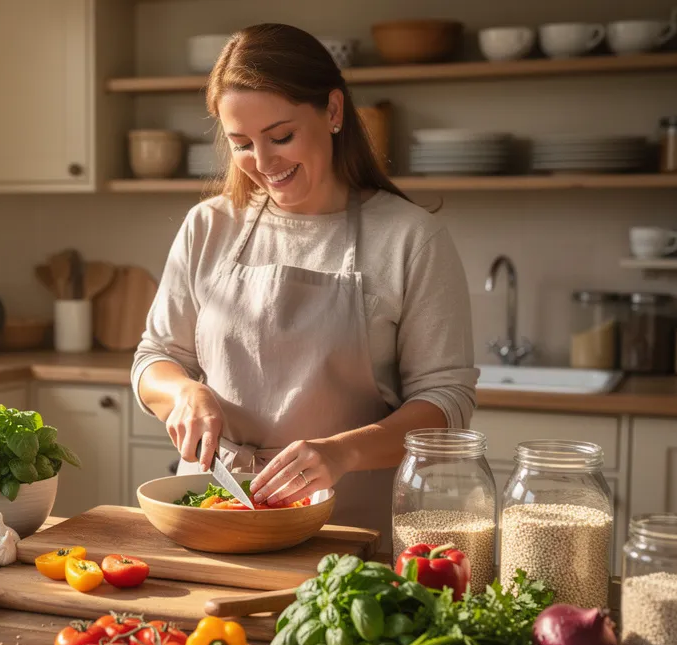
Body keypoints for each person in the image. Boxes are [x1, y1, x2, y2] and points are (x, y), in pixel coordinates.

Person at [132, 23, 477, 549]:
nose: (264, 164)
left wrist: (342, 452)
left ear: (334, 112)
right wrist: (183, 392)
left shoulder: (410, 238)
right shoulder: (209, 226)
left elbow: (446, 401)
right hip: (215, 515)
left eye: (281, 136)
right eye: (241, 143)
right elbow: (155, 356)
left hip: (347, 531)